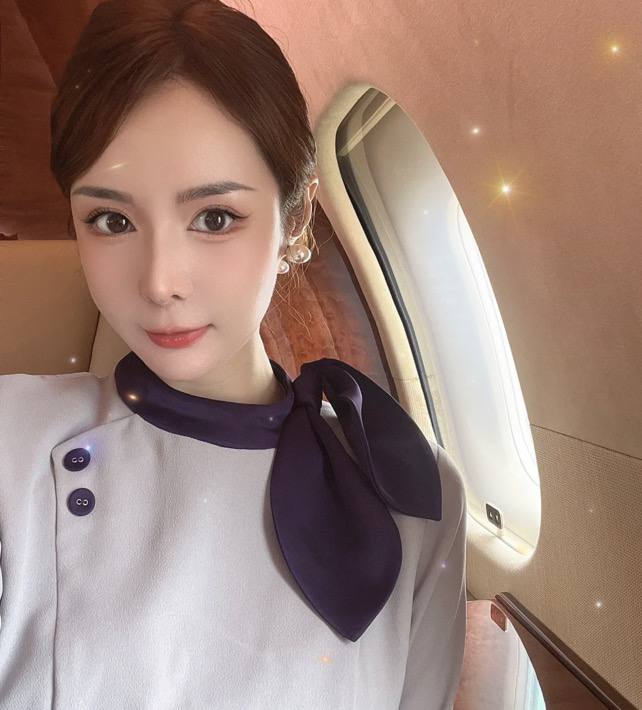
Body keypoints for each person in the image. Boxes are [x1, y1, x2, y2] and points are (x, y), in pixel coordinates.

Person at [0, 0, 468, 707]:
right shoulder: (13, 440)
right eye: (111, 220)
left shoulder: (413, 488)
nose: (159, 282)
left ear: (295, 220)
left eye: (214, 218)